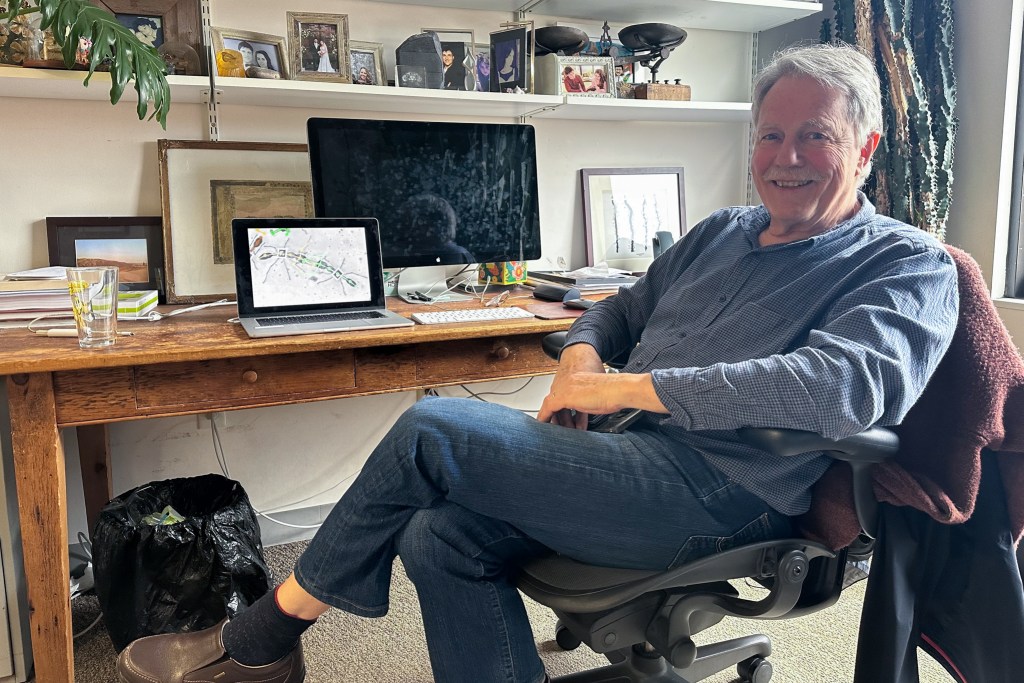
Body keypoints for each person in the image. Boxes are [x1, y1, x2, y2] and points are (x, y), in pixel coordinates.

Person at [115, 43, 959, 683]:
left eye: (816, 136)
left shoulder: (907, 264)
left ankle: (257, 643)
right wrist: (581, 359)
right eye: (772, 134)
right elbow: (620, 307)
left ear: (868, 146)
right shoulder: (720, 232)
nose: (787, 156)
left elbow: (844, 388)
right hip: (624, 455)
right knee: (433, 528)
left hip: (724, 493)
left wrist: (627, 385)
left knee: (432, 427)